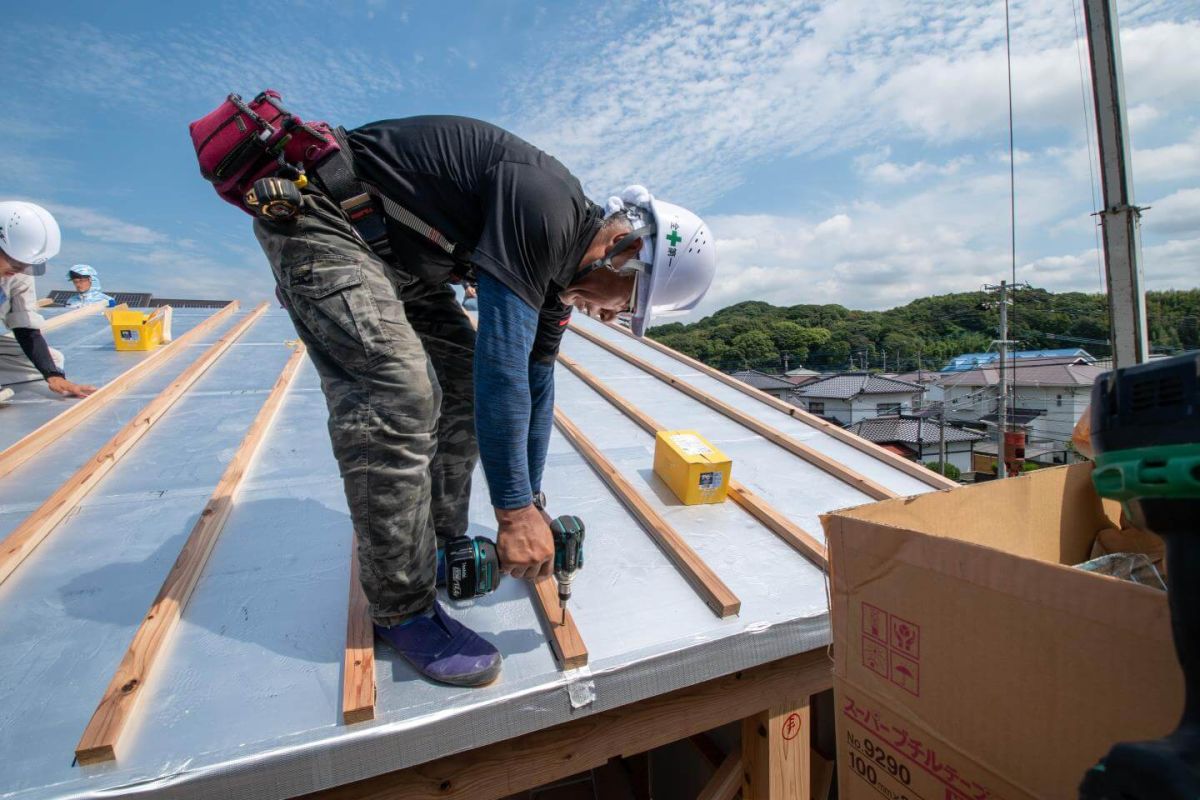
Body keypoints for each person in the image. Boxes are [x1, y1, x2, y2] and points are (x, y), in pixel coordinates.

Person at [190, 105, 716, 687]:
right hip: (325, 220)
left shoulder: (560, 276)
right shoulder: (545, 211)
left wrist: (531, 501)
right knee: (397, 391)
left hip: (394, 255)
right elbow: (503, 368)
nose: (616, 316)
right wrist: (511, 514)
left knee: (459, 381)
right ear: (625, 248)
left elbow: (536, 385)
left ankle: (437, 548)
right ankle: (401, 607)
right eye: (629, 300)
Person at [0, 201, 96, 404]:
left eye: (26, 265)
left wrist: (53, 375)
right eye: (16, 263)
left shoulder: (19, 275)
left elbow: (26, 328)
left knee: (54, 360)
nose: (19, 270)